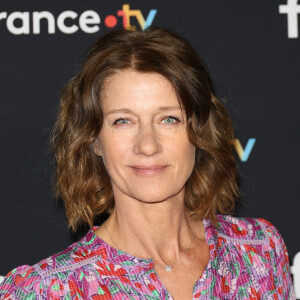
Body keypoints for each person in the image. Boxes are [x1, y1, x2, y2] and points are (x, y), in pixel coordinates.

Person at [0, 27, 295, 300]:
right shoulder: (47, 290)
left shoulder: (258, 253)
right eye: (123, 121)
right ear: (93, 140)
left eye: (169, 119)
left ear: (199, 132)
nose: (148, 145)